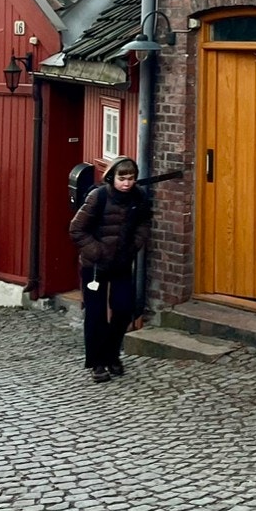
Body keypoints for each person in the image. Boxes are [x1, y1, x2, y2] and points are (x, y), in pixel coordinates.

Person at [68, 155, 151, 383]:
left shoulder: (138, 197)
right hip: (94, 266)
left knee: (124, 309)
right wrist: (96, 251)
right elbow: (76, 229)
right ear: (112, 177)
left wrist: (134, 245)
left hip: (122, 263)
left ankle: (112, 354)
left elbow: (144, 223)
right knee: (95, 315)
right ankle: (97, 363)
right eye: (122, 178)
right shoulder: (99, 197)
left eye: (131, 178)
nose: (127, 183)